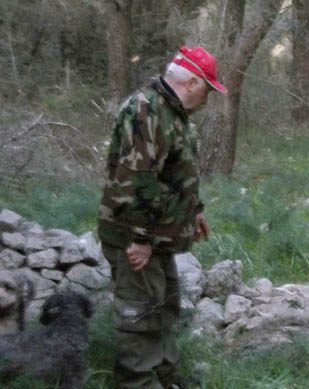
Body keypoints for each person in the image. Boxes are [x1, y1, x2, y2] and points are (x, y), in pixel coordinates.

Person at [98, 46, 227, 388]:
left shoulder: (175, 113)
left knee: (165, 307)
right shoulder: (145, 111)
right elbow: (135, 181)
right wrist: (139, 239)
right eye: (207, 89)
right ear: (190, 82)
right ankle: (137, 381)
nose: (208, 97)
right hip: (134, 234)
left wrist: (194, 211)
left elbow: (176, 172)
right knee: (139, 313)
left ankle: (164, 376)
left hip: (160, 234)